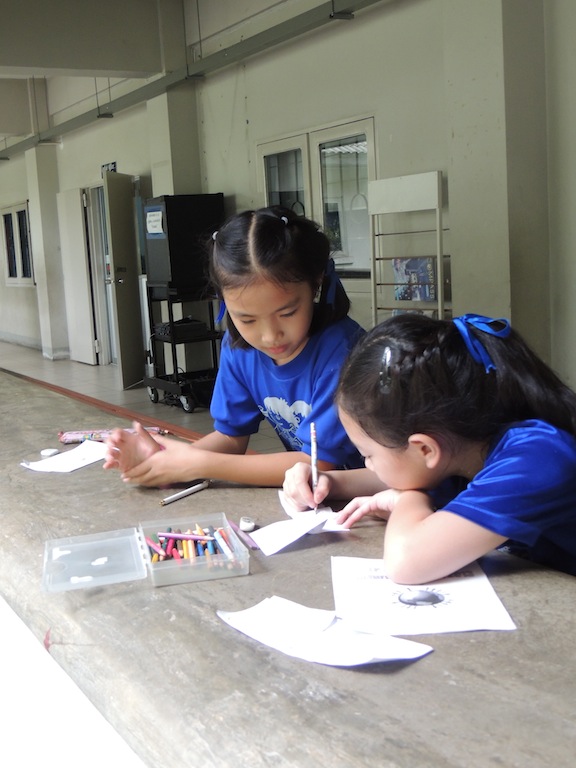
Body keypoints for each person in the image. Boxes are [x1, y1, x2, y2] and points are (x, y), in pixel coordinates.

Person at [282, 313, 576, 583]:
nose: (368, 465)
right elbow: (402, 471)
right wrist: (327, 482)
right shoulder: (465, 445)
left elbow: (405, 564)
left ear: (424, 449)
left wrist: (406, 500)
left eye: (367, 455)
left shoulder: (536, 458)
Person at [104, 206, 365, 487]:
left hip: (372, 497)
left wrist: (197, 463)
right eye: (247, 319)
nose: (270, 336)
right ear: (223, 300)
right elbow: (230, 438)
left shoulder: (343, 354)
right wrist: (162, 461)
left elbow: (317, 464)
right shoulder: (240, 348)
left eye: (287, 313)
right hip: (314, 498)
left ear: (316, 283)